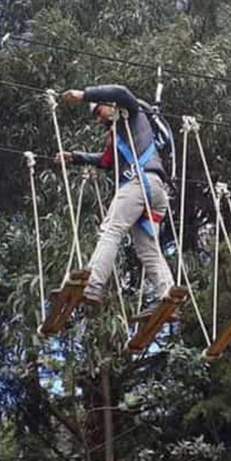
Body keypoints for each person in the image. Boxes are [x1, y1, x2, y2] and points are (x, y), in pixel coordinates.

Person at [55, 84, 182, 317]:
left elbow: (122, 91)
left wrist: (84, 95)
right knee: (147, 248)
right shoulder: (120, 133)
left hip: (138, 182)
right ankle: (167, 294)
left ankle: (93, 284)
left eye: (98, 112)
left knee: (111, 229)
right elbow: (105, 161)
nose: (97, 120)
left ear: (108, 105)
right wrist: (75, 157)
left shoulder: (131, 113)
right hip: (154, 189)